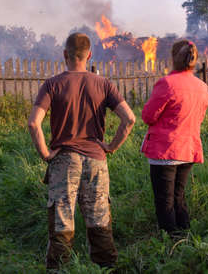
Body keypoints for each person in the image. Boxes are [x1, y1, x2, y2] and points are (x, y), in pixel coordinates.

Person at [28, 33, 136, 270]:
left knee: (61, 222)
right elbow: (129, 119)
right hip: (96, 160)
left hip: (64, 161)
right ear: (89, 55)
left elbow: (34, 123)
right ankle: (106, 268)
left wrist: (46, 154)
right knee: (99, 221)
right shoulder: (104, 84)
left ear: (65, 54)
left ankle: (59, 269)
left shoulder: (52, 84)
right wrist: (111, 147)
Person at [140, 40, 208, 236]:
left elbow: (148, 116)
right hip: (188, 148)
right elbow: (199, 117)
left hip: (165, 150)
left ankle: (170, 243)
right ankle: (184, 237)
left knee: (164, 200)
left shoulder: (167, 83)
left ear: (173, 58)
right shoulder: (202, 86)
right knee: (178, 197)